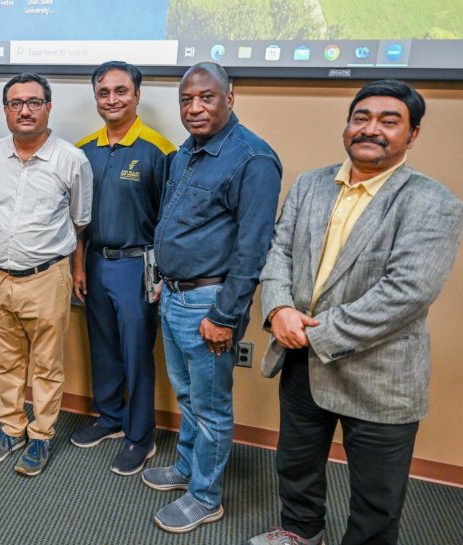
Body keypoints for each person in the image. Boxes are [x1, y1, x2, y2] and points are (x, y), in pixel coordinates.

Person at [248, 80, 463, 545]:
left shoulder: (433, 202)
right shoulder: (311, 183)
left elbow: (406, 293)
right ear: (348, 125)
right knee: (296, 464)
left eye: (390, 121)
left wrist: (312, 333)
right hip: (301, 362)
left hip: (380, 374)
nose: (371, 129)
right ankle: (300, 532)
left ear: (413, 134)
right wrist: (280, 308)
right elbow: (278, 251)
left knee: (376, 495)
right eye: (361, 118)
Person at [145, 62, 282, 532]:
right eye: (186, 100)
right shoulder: (186, 152)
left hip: (210, 305)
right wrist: (165, 276)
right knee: (188, 395)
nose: (195, 107)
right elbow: (181, 224)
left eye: (206, 97)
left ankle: (205, 496)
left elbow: (253, 248)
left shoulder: (253, 159)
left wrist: (225, 316)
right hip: (175, 296)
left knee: (211, 407)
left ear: (230, 97)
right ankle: (186, 469)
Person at [0, 73, 93, 477]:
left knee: (45, 364)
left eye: (34, 102)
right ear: (5, 110)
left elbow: (79, 222)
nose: (24, 110)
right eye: (15, 103)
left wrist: (75, 268)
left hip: (47, 278)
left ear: (48, 108)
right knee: (7, 363)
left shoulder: (71, 160)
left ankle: (41, 435)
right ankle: (11, 428)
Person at [71, 61, 175, 475]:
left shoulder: (159, 149)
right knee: (103, 347)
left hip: (138, 267)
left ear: (137, 96)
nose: (112, 99)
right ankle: (110, 418)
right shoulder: (83, 149)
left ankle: (140, 435)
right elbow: (77, 218)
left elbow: (168, 221)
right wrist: (79, 266)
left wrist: (163, 275)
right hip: (95, 263)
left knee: (136, 353)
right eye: (104, 92)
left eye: (121, 91)